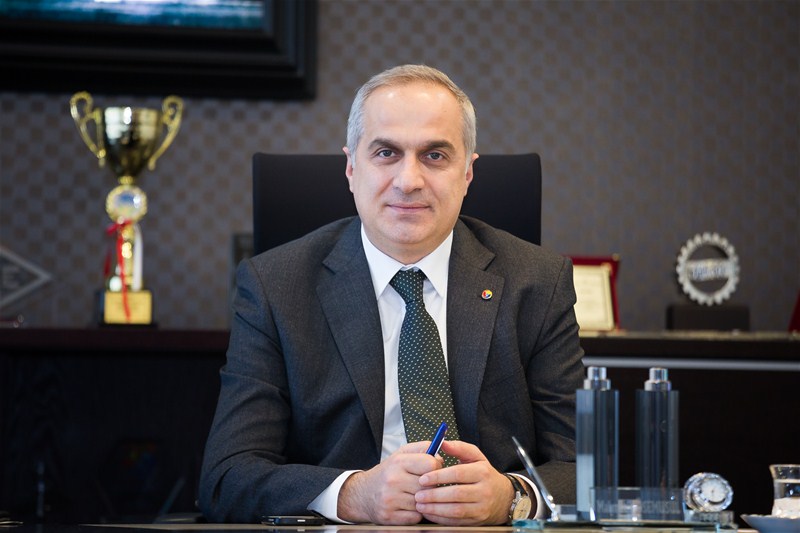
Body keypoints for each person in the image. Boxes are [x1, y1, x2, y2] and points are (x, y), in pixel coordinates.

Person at [199, 64, 584, 525]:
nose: (408, 180)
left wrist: (511, 497)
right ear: (351, 168)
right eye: (386, 153)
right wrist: (353, 495)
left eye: (435, 155)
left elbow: (585, 466)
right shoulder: (276, 286)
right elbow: (227, 476)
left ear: (467, 172)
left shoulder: (538, 282)